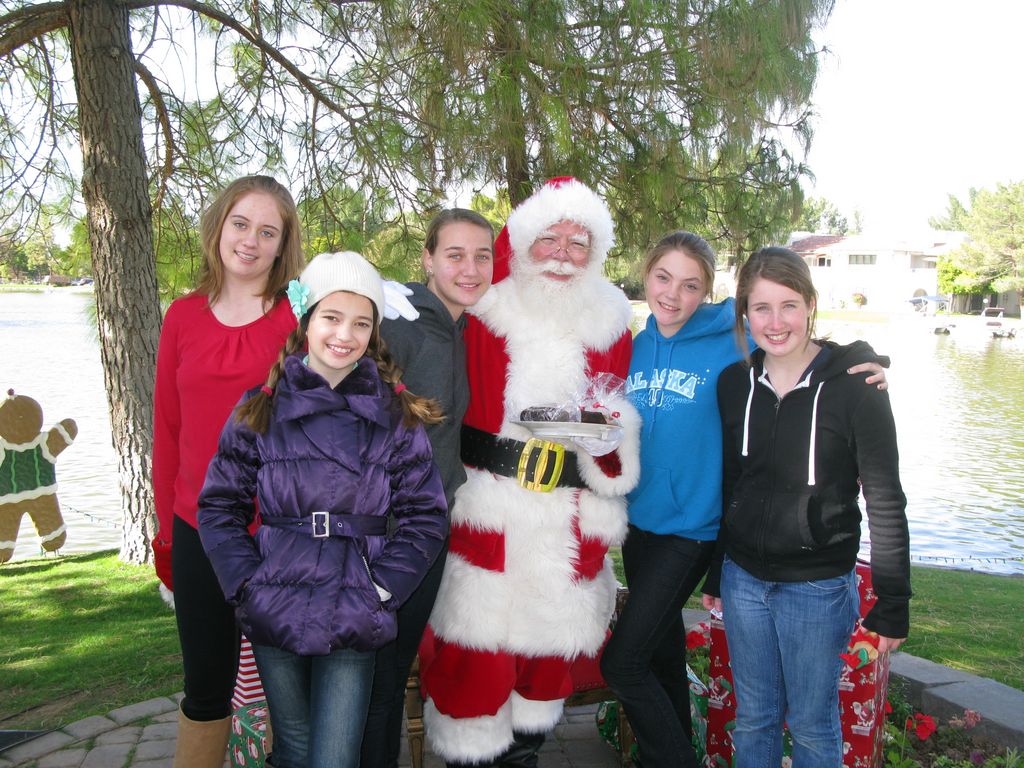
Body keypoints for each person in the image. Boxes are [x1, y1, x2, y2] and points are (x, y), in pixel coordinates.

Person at [601, 232, 890, 768]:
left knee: (624, 662)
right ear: (645, 275)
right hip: (639, 524)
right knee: (659, 659)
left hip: (695, 528)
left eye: (691, 285)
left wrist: (866, 355)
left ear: (709, 293)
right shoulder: (633, 346)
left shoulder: (732, 341)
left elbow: (800, 348)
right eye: (663, 278)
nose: (672, 294)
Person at [419, 177, 642, 767]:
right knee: (476, 659)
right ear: (519, 242)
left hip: (567, 517)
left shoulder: (613, 316)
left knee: (544, 667)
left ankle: (528, 755)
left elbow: (619, 410)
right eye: (549, 238)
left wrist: (607, 435)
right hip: (488, 506)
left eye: (578, 241)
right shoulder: (485, 298)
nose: (564, 253)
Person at [197, 251, 449, 768]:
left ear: (373, 333)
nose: (345, 334)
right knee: (291, 749)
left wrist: (383, 588)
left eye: (361, 323)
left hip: (355, 606)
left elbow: (426, 516)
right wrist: (246, 581)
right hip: (275, 599)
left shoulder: (395, 417)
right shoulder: (259, 409)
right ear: (306, 321)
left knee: (335, 757)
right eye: (332, 317)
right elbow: (220, 506)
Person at [706, 246, 911, 767]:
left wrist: (893, 602)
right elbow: (731, 484)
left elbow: (884, 498)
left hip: (817, 588)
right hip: (744, 580)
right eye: (761, 308)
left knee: (816, 725)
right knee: (753, 716)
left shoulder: (856, 387)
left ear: (811, 305)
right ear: (744, 314)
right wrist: (715, 574)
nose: (776, 323)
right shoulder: (735, 385)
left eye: (789, 306)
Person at [151, 175, 305, 768]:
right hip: (199, 531)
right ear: (219, 226)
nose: (250, 241)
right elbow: (168, 431)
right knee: (206, 688)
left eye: (268, 231)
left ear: (282, 244)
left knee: (289, 691)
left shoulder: (300, 317)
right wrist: (166, 532)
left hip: (281, 534)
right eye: (241, 224)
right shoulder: (182, 318)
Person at [361, 208, 495, 768]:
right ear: (428, 260)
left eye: (481, 255)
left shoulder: (457, 325)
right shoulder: (403, 322)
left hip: (428, 526)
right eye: (455, 255)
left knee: (388, 675)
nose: (470, 268)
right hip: (388, 533)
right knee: (377, 679)